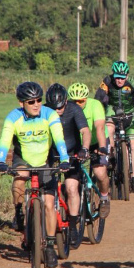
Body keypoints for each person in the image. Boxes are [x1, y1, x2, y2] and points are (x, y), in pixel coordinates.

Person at [0, 81, 70, 268]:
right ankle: (19, 212)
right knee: (19, 180)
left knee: (49, 204)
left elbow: (59, 139)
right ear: (22, 103)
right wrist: (0, 161)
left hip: (44, 160)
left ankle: (50, 246)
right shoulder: (13, 117)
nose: (36, 104)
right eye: (31, 101)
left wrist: (64, 159)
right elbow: (4, 141)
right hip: (24, 158)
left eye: (38, 100)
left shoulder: (49, 114)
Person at [95, 61, 134, 194]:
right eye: (117, 77)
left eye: (122, 77)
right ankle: (111, 155)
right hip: (112, 112)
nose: (119, 80)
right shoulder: (107, 81)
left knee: (133, 143)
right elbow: (98, 98)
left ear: (127, 75)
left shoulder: (133, 82)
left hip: (130, 113)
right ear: (113, 75)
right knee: (109, 128)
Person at [45, 83, 90, 246]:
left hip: (72, 153)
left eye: (60, 107)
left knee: (71, 187)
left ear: (65, 102)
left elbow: (85, 130)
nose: (57, 111)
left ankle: (72, 226)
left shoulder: (74, 109)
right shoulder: (42, 111)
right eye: (52, 108)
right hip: (50, 154)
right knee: (46, 190)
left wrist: (84, 149)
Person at [68, 82, 111, 225]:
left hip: (97, 142)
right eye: (74, 101)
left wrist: (103, 148)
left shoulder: (95, 105)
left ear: (86, 98)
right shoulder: (67, 108)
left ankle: (104, 197)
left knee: (99, 172)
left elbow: (99, 128)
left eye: (81, 101)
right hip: (78, 144)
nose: (78, 104)